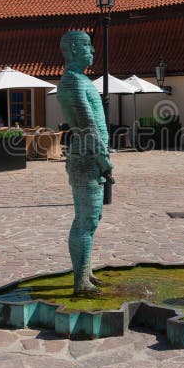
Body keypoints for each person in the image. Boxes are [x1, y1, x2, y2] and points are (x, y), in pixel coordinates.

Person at [56, 30, 114, 295]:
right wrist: (103, 160)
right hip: (86, 157)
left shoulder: (80, 80)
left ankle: (86, 271)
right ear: (73, 50)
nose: (92, 50)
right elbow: (87, 125)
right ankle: (80, 283)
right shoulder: (72, 82)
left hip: (90, 156)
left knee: (92, 217)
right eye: (87, 45)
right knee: (86, 220)